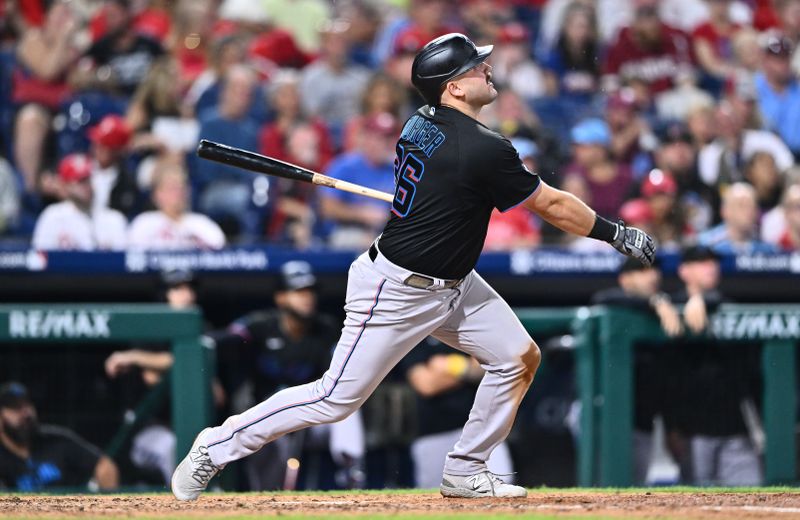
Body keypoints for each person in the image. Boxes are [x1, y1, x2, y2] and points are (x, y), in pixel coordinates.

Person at [171, 32, 655, 501]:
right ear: (454, 87)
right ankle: (215, 446)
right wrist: (616, 233)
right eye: (474, 65)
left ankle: (466, 468)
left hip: (455, 284)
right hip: (396, 289)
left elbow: (450, 179)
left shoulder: (420, 120)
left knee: (516, 358)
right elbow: (551, 206)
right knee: (334, 399)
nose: (486, 67)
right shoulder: (482, 146)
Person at [210, 261, 360, 490]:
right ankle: (267, 496)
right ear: (281, 297)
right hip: (267, 416)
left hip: (312, 416)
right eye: (298, 291)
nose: (306, 298)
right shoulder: (260, 326)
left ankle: (352, 473)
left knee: (348, 407)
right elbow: (211, 343)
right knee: (270, 448)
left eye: (309, 292)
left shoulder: (327, 330)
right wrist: (212, 378)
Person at [671, 246, 763, 486]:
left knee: (752, 494)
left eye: (713, 262)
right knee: (696, 502)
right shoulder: (670, 307)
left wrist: (701, 299)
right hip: (693, 431)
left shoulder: (727, 306)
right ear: (684, 271)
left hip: (735, 429)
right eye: (702, 262)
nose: (711, 267)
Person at [403, 337, 515, 488]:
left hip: (481, 431)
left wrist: (453, 366)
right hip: (433, 434)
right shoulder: (418, 336)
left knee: (500, 487)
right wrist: (467, 368)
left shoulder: (464, 331)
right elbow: (426, 385)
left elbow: (491, 367)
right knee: (435, 497)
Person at [0, 382, 119, 491]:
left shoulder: (57, 440)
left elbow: (104, 465)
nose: (25, 413)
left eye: (27, 404)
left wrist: (107, 505)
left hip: (68, 512)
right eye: (15, 408)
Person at [320, 112, 398, 250]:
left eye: (387, 138)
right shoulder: (345, 165)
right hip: (345, 231)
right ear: (366, 138)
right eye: (377, 138)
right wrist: (361, 214)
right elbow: (327, 208)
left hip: (386, 231)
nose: (383, 144)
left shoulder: (396, 168)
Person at [31, 154, 127, 251]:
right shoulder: (53, 216)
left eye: (88, 179)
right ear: (65, 185)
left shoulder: (114, 219)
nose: (87, 185)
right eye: (80, 181)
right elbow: (40, 259)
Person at [127, 162, 225, 250]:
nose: (179, 193)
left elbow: (221, 257)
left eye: (182, 187)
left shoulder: (203, 224)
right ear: (157, 194)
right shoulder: (144, 224)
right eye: (172, 188)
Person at [698, 182, 777, 254]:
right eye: (741, 205)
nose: (749, 211)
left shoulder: (767, 249)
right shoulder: (706, 245)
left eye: (752, 206)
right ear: (725, 211)